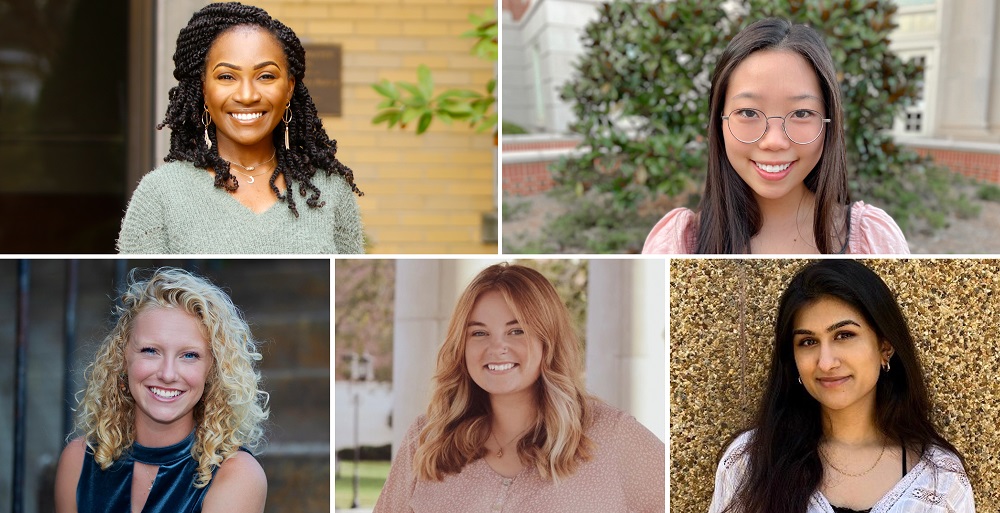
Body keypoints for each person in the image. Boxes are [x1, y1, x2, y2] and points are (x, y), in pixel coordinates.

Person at [373, 263, 665, 512]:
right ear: (461, 346)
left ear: (547, 341)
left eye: (517, 331)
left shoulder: (612, 435)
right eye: (479, 333)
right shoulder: (427, 439)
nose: (497, 347)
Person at [709, 260, 974, 512]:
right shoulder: (752, 461)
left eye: (844, 335)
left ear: (885, 347)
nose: (826, 362)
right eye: (808, 342)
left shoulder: (940, 479)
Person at [642, 18, 908, 254]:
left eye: (802, 113)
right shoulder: (677, 245)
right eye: (748, 112)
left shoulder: (873, 240)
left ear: (828, 123)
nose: (774, 141)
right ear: (719, 121)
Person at [117, 2, 364, 254]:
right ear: (203, 88)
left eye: (266, 76)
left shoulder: (331, 190)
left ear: (289, 88)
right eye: (226, 77)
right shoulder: (160, 194)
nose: (247, 95)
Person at [54, 267, 269, 513]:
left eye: (189, 355)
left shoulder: (237, 475)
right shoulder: (78, 461)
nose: (167, 374)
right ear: (122, 358)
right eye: (150, 350)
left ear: (212, 370)